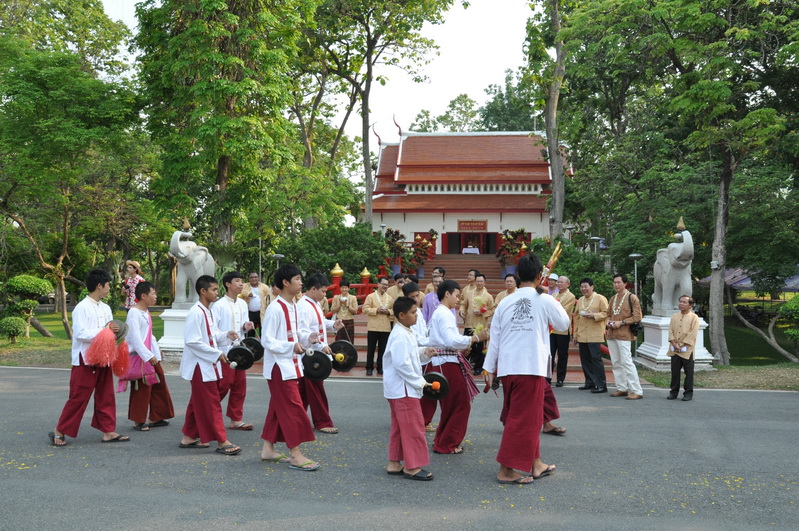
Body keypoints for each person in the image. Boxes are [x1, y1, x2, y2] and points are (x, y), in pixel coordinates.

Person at [484, 254, 570, 484]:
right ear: (540, 275)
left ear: (519, 275)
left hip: (508, 367)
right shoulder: (544, 299)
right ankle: (506, 470)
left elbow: (495, 337)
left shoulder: (505, 301)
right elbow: (564, 324)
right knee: (523, 420)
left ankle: (536, 463)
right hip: (530, 366)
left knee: (527, 417)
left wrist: (489, 369)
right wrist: (549, 297)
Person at [49, 269, 130, 447]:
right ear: (99, 286)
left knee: (106, 395)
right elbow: (80, 334)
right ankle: (59, 430)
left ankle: (108, 431)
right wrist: (105, 331)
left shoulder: (106, 307)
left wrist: (116, 333)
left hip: (104, 357)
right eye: (108, 285)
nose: (109, 289)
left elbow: (109, 330)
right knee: (79, 396)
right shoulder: (82, 307)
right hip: (85, 359)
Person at [260, 264, 319, 471]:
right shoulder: (276, 308)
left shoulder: (293, 305)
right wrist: (290, 346)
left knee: (278, 408)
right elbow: (266, 341)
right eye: (297, 279)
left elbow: (294, 334)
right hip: (279, 366)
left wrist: (307, 338)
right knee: (293, 408)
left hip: (292, 364)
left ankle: (268, 449)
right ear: (285, 283)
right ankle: (295, 454)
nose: (301, 283)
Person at [179, 275, 242, 455]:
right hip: (200, 365)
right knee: (211, 402)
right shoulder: (196, 312)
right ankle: (222, 441)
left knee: (199, 401)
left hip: (208, 363)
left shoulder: (207, 311)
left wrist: (225, 335)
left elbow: (211, 334)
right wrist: (217, 353)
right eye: (214, 289)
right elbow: (192, 341)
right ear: (203, 291)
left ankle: (189, 436)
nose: (217, 292)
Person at [427, 280, 488, 454]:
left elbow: (448, 340)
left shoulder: (442, 312)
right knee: (460, 404)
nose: (459, 299)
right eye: (457, 295)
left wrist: (462, 345)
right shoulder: (445, 313)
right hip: (446, 363)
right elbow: (450, 340)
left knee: (450, 405)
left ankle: (442, 440)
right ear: (447, 294)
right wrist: (474, 338)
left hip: (443, 361)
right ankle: (447, 443)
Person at [383, 296, 436, 481]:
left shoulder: (406, 331)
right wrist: (420, 382)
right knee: (414, 427)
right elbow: (402, 365)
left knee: (399, 427)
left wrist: (424, 352)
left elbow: (411, 357)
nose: (416, 316)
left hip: (400, 388)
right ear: (401, 315)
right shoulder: (400, 335)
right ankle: (412, 466)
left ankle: (394, 462)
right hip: (403, 389)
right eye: (413, 313)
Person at [124, 281, 175, 431]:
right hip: (139, 356)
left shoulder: (145, 312)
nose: (156, 296)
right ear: (143, 296)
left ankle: (157, 416)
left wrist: (156, 353)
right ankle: (138, 420)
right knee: (142, 388)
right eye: (153, 293)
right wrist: (148, 356)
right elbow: (135, 338)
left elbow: (149, 335)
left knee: (159, 383)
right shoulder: (133, 313)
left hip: (148, 355)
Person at [298, 273, 342, 434]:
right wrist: (322, 345)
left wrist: (333, 325)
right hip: (310, 355)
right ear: (313, 289)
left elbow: (320, 324)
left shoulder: (314, 303)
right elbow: (303, 333)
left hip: (315, 353)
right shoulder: (303, 306)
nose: (325, 295)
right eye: (323, 291)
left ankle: (295, 419)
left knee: (303, 393)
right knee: (316, 391)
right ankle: (322, 422)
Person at [212, 271, 255, 431]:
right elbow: (213, 331)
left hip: (240, 350)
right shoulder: (219, 305)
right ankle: (209, 412)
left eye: (241, 281)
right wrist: (226, 335)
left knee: (240, 385)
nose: (241, 284)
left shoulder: (243, 304)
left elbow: (242, 326)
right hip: (225, 351)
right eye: (237, 281)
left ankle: (236, 419)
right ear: (228, 284)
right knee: (224, 384)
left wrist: (246, 326)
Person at [606, 274, 644, 400]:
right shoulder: (613, 298)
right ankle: (621, 388)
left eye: (619, 282)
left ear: (625, 283)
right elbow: (608, 314)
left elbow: (638, 317)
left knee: (626, 362)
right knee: (616, 362)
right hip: (612, 334)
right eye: (614, 282)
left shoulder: (632, 298)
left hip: (624, 334)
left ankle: (636, 390)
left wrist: (622, 322)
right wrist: (607, 321)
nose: (616, 285)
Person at [572, 277, 609, 393]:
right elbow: (576, 318)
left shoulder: (600, 298)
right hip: (582, 334)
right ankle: (589, 382)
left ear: (592, 287)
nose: (583, 289)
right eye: (582, 287)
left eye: (586, 286)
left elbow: (607, 313)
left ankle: (602, 385)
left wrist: (594, 315)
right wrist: (575, 334)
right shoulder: (581, 300)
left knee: (596, 359)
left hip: (595, 334)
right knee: (585, 360)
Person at [668, 295, 700, 401]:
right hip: (675, 349)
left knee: (688, 373)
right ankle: (673, 392)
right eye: (680, 301)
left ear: (690, 305)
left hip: (687, 350)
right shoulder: (674, 316)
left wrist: (681, 345)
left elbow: (692, 333)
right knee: (675, 372)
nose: (681, 304)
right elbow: (670, 331)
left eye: (684, 302)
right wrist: (674, 343)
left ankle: (688, 393)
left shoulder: (694, 318)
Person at [461, 273, 494, 375]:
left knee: (480, 348)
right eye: (477, 281)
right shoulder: (469, 293)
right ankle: (463, 365)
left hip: (481, 325)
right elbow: (463, 304)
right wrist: (461, 310)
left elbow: (492, 310)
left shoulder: (488, 296)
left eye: (481, 281)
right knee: (466, 345)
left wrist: (482, 312)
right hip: (469, 324)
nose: (479, 283)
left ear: (484, 282)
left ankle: (478, 367)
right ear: (475, 282)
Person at [362, 277, 394, 376]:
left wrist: (388, 311)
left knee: (383, 349)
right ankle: (369, 367)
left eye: (386, 285)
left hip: (385, 327)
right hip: (373, 327)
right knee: (371, 349)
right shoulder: (370, 296)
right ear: (378, 284)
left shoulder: (390, 298)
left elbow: (394, 311)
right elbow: (365, 309)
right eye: (383, 284)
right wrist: (376, 310)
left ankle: (380, 367)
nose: (385, 286)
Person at [551, 275, 576, 387]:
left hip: (563, 329)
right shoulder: (554, 295)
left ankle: (560, 378)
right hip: (552, 329)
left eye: (561, 282)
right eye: (558, 282)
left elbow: (563, 311)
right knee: (550, 354)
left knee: (562, 355)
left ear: (568, 284)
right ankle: (548, 376)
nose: (559, 284)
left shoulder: (570, 296)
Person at [240, 271, 271, 336]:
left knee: (263, 329)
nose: (254, 279)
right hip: (249, 312)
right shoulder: (245, 286)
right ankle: (250, 344)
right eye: (251, 277)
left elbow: (269, 297)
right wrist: (247, 294)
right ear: (249, 279)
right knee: (250, 330)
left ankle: (262, 344)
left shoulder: (264, 287)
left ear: (258, 278)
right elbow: (239, 291)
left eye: (255, 277)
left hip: (261, 312)